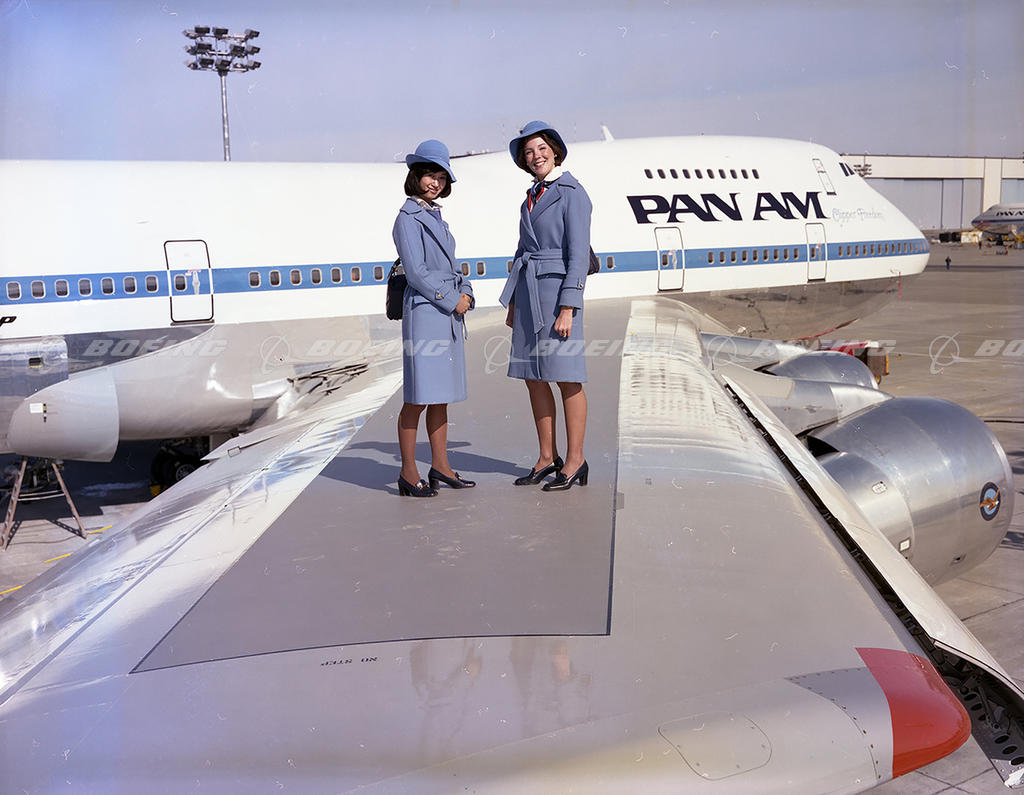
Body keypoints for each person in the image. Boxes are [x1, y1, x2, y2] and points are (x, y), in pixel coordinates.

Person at [499, 121, 592, 492]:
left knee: (567, 376)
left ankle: (575, 460)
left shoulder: (572, 193)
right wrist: (513, 301)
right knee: (533, 377)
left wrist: (569, 305)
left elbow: (579, 254)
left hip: (556, 296)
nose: (535, 156)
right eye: (528, 152)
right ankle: (546, 457)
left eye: (541, 148)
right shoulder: (530, 197)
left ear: (554, 150)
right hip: (529, 294)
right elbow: (522, 250)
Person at [393, 139, 475, 497]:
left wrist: (466, 290)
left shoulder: (435, 216)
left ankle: (440, 465)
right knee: (418, 397)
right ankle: (408, 472)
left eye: (441, 178)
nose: (435, 183)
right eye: (430, 175)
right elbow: (415, 272)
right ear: (416, 176)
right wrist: (452, 300)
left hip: (444, 313)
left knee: (440, 396)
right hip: (427, 313)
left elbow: (452, 266)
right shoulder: (407, 218)